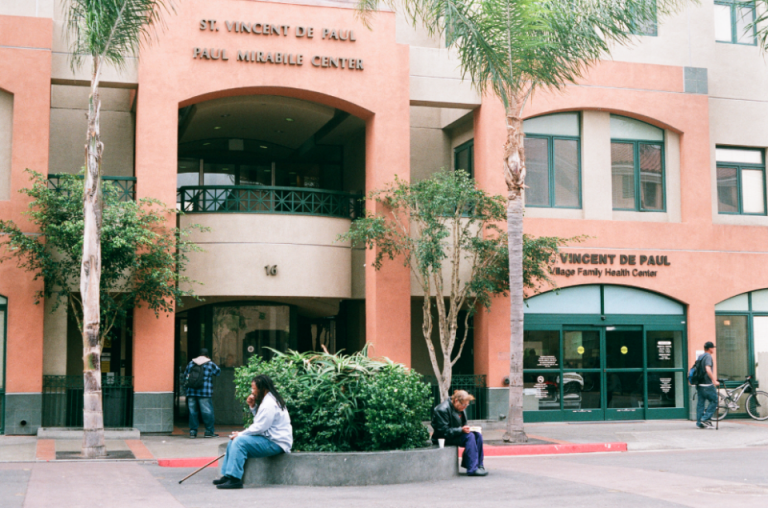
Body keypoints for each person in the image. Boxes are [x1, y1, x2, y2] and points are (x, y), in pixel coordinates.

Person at [213, 374, 293, 489]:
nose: (252, 391)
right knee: (234, 441)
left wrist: (241, 434)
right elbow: (262, 421)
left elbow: (260, 427)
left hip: (276, 443)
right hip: (270, 439)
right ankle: (228, 475)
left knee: (239, 442)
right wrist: (253, 406)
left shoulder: (269, 403)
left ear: (262, 388)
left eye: (254, 388)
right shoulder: (268, 400)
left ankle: (235, 479)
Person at [431, 390, 487, 477]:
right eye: (463, 405)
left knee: (477, 435)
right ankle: (472, 469)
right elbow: (443, 431)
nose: (465, 407)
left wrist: (468, 428)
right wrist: (461, 430)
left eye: (467, 405)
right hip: (443, 438)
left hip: (454, 434)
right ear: (456, 400)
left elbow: (462, 424)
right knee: (469, 436)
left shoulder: (459, 408)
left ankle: (479, 465)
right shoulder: (442, 410)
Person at [184, 348, 221, 439]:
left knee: (193, 412)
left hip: (191, 391)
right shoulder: (210, 364)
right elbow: (218, 372)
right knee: (207, 412)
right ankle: (209, 432)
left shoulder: (191, 363)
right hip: (205, 392)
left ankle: (193, 432)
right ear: (207, 355)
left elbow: (185, 375)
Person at [695, 341, 719, 429]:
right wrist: (714, 380)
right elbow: (708, 369)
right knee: (714, 400)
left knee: (700, 404)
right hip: (707, 384)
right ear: (710, 348)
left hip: (699, 384)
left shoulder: (700, 356)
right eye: (713, 348)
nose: (713, 349)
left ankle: (699, 422)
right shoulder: (708, 356)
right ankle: (705, 419)